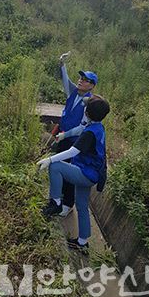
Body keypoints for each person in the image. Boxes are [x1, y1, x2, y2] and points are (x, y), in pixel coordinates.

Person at [37, 95, 110, 254]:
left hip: (84, 173)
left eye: (86, 107)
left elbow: (72, 151)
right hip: (91, 174)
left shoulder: (90, 133)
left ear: (88, 113)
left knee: (56, 166)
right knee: (82, 206)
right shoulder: (97, 127)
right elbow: (80, 128)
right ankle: (82, 242)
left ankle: (55, 203)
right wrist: (64, 134)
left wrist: (49, 159)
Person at [53, 51, 97, 217]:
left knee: (68, 172)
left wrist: (66, 135)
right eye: (81, 78)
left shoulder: (90, 103)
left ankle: (67, 204)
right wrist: (62, 63)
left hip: (75, 142)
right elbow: (65, 79)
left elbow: (83, 126)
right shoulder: (72, 92)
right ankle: (59, 198)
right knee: (57, 167)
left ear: (92, 86)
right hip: (64, 137)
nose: (81, 81)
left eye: (85, 80)